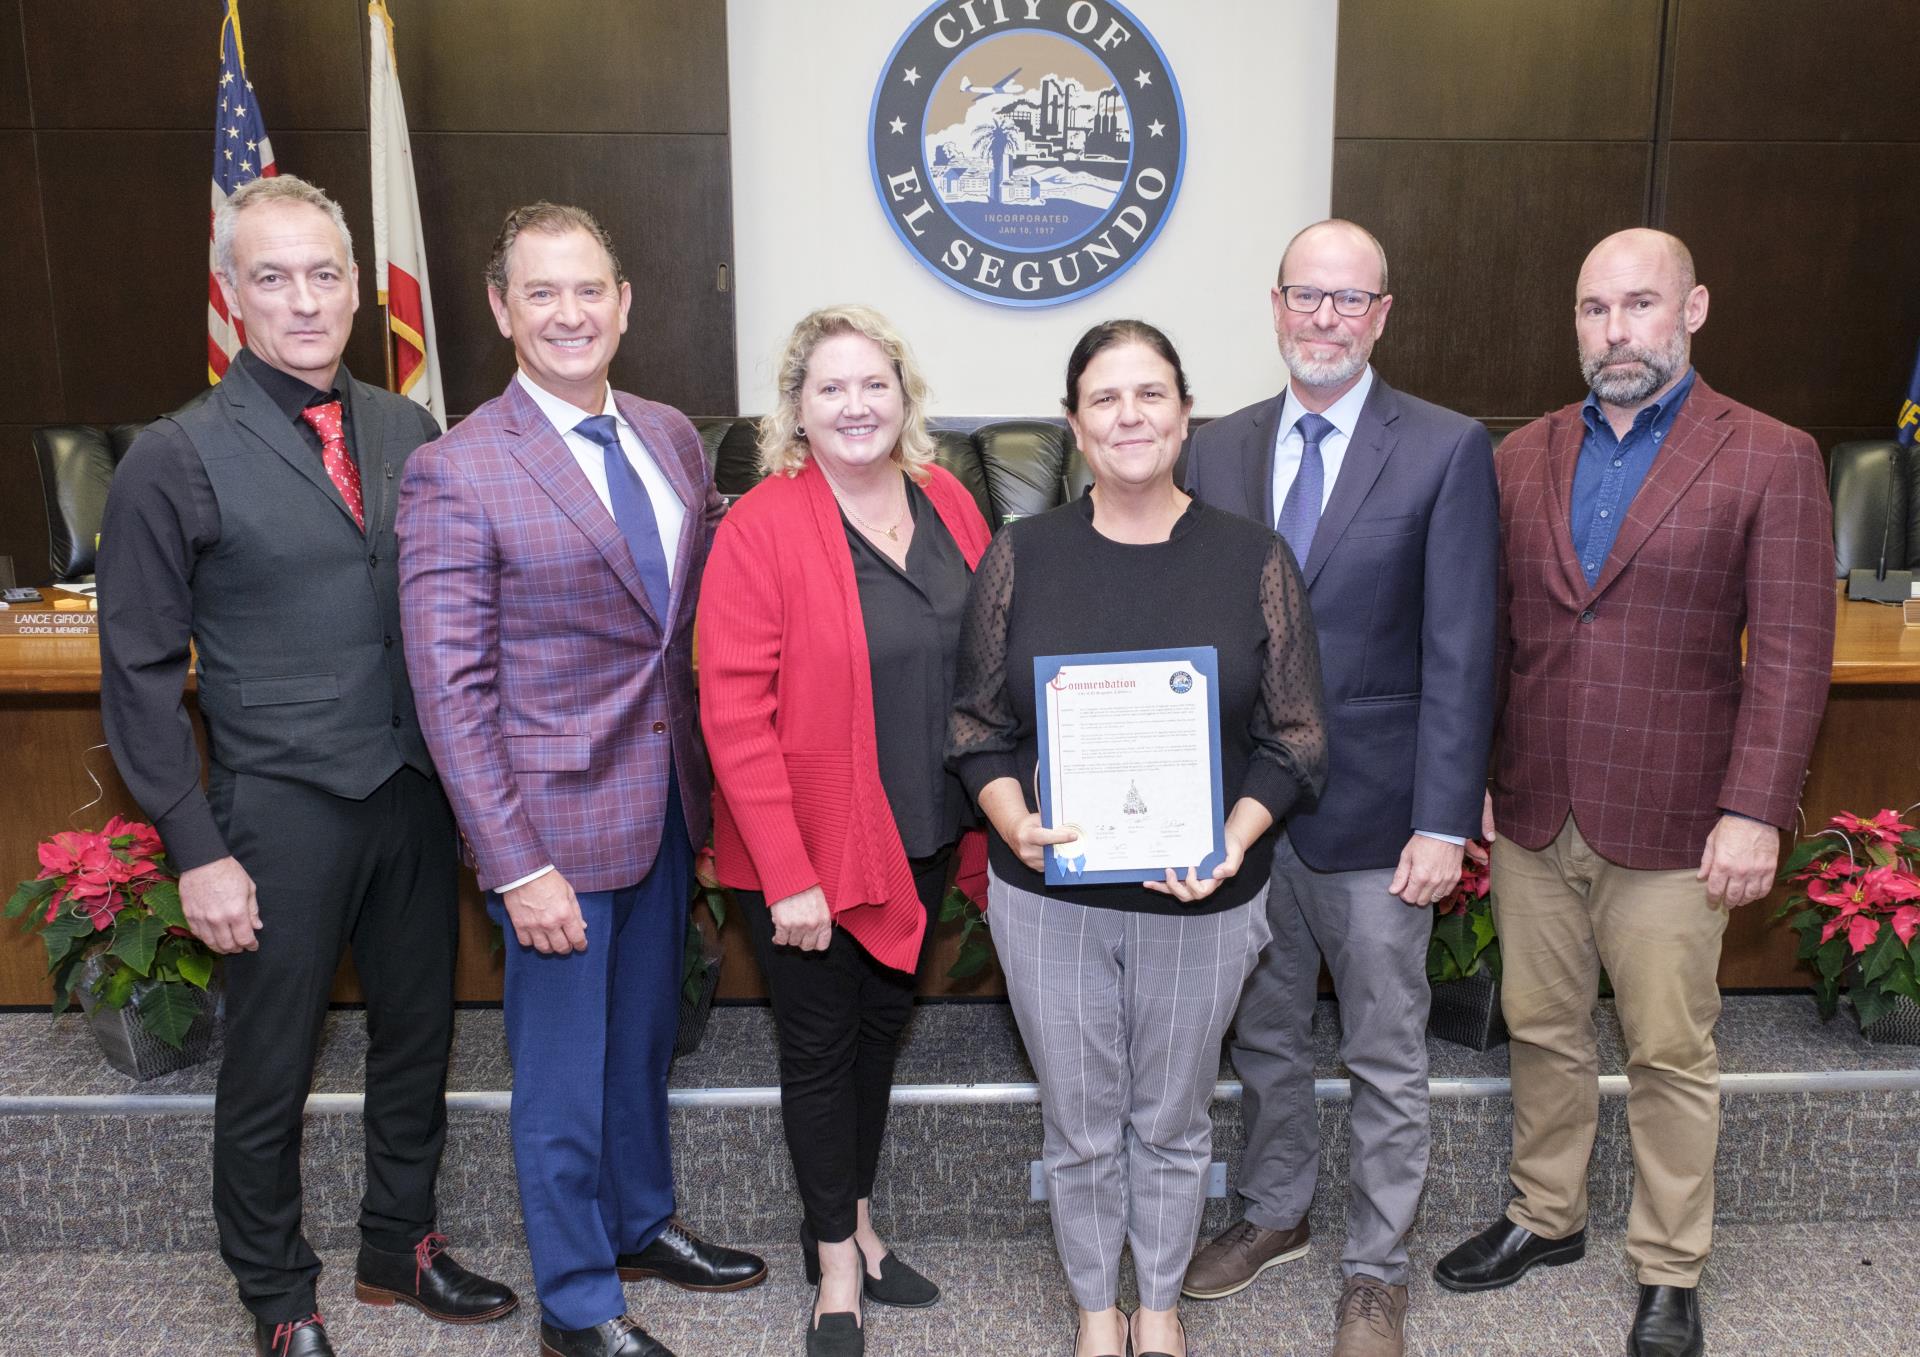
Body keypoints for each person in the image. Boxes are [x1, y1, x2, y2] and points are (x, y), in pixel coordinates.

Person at [96, 174, 515, 1357]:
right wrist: (198, 849)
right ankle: (278, 1293)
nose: (304, 299)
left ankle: (400, 1244)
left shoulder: (404, 428)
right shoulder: (173, 457)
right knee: (270, 1066)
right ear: (233, 293)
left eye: (325, 272)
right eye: (271, 276)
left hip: (411, 794)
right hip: (277, 808)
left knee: (420, 1037)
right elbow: (132, 674)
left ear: (355, 287)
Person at [1433, 229, 1835, 1357]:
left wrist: (1755, 808)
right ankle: (1545, 1214)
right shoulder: (1518, 457)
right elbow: (1487, 636)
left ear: (1693, 309)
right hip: (1532, 805)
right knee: (1541, 1027)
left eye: (1640, 305)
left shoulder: (1769, 453)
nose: (1616, 329)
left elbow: (1796, 652)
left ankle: (1669, 1264)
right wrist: (1469, 779)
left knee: (1668, 1048)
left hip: (1678, 817)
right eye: (1594, 308)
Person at [397, 202, 764, 1357]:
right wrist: (514, 865)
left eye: (589, 290)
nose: (570, 313)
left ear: (625, 302)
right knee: (560, 1077)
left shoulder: (668, 435)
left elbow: (691, 609)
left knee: (643, 1040)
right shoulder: (456, 470)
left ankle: (640, 1221)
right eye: (541, 293)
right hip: (548, 830)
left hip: (662, 806)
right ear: (502, 310)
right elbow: (450, 691)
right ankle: (576, 1303)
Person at [948, 320, 1328, 1357]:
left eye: (1150, 394)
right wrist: (1012, 823)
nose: (1129, 416)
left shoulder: (1253, 556)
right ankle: (1093, 1310)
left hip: (1203, 898)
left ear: (1185, 414)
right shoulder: (1023, 553)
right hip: (1051, 900)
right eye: (1105, 399)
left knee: (1172, 1120)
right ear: (1074, 424)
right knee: (1078, 1124)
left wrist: (1234, 838)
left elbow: (1295, 734)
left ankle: (1155, 1305)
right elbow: (975, 724)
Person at [1182, 219, 1497, 1357]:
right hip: (1245, 818)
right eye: (1307, 297)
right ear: (1275, 305)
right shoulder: (1216, 446)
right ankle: (1275, 1211)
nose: (1326, 319)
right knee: (1261, 1034)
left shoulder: (1448, 448)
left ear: (1383, 315)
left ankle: (1376, 1267)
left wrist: (1444, 820)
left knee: (1383, 1050)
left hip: (1379, 819)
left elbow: (1464, 644)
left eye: (1349, 300)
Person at [698, 304, 994, 1356]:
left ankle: (858, 1223)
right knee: (821, 1053)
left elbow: (992, 660)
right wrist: (787, 875)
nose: (856, 405)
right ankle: (832, 1272)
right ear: (797, 410)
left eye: (875, 384)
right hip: (810, 852)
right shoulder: (760, 526)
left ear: (905, 397)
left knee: (879, 1037)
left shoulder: (953, 501)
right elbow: (732, 715)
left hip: (920, 828)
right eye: (831, 388)